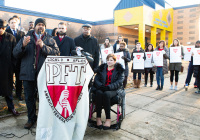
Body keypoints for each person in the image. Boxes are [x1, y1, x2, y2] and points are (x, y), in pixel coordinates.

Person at [13, 18, 60, 129]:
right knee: (29, 98)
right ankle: (31, 119)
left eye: (42, 25)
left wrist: (44, 46)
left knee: (44, 99)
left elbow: (57, 53)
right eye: (38, 24)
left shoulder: (49, 39)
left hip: (44, 74)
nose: (40, 27)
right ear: (34, 26)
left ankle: (44, 120)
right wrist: (23, 45)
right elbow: (15, 53)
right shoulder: (26, 37)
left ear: (45, 27)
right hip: (28, 73)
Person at [92, 54, 124, 130]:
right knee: (99, 93)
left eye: (111, 60)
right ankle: (98, 118)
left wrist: (109, 87)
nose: (109, 62)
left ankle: (108, 119)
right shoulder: (102, 68)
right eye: (108, 60)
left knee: (106, 94)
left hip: (113, 90)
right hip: (101, 88)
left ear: (115, 61)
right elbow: (96, 79)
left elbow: (119, 82)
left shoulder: (119, 70)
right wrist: (101, 86)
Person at [0, 19, 20, 116]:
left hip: (6, 68)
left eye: (2, 28)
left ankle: (11, 107)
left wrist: (12, 66)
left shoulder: (11, 38)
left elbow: (15, 54)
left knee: (8, 90)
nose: (1, 29)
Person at [6, 17, 25, 101]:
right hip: (9, 59)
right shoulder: (5, 33)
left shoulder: (22, 34)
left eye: (15, 22)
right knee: (9, 78)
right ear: (9, 24)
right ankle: (9, 94)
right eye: (12, 22)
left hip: (19, 60)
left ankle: (18, 94)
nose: (14, 24)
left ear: (18, 24)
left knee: (19, 78)